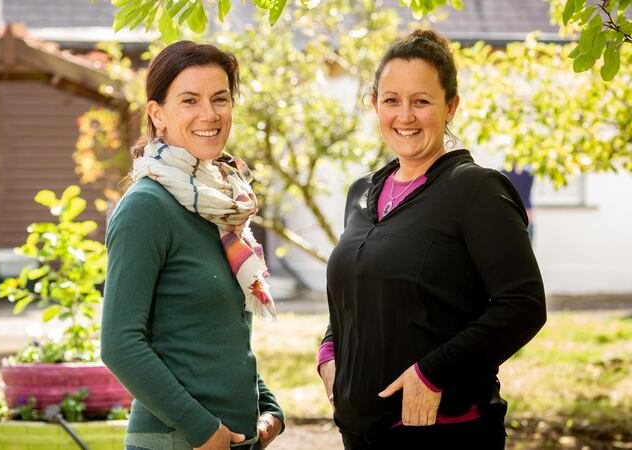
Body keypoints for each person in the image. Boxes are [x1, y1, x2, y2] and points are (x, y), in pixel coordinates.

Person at [316, 30, 547, 450]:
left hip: (442, 428)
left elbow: (523, 305)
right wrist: (329, 350)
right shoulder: (361, 191)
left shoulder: (476, 190)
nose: (405, 116)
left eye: (421, 101)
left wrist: (433, 372)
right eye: (392, 100)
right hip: (359, 429)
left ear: (450, 107)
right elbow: (359, 287)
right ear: (374, 104)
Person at [101, 40, 284, 450]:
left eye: (220, 99)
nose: (209, 114)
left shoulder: (219, 206)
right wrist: (203, 431)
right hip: (179, 440)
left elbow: (216, 336)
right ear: (157, 114)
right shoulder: (147, 206)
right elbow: (120, 344)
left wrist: (269, 407)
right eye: (189, 100)